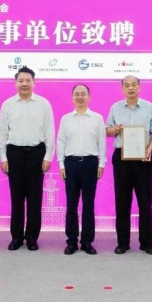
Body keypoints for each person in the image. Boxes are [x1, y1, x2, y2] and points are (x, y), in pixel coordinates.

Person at [0, 66, 55, 251]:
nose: (24, 84)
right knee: (16, 198)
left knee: (34, 198)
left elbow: (49, 132)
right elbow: (2, 134)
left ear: (33, 83)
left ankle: (31, 238)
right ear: (15, 83)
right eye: (21, 80)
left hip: (37, 154)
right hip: (14, 154)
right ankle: (16, 237)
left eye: (28, 80)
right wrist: (3, 158)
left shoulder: (44, 104)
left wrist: (48, 157)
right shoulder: (7, 105)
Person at [106, 75, 152, 255]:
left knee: (145, 201)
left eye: (134, 85)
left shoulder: (149, 107)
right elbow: (107, 130)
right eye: (127, 85)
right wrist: (115, 129)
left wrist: (149, 149)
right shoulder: (115, 107)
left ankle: (146, 243)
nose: (131, 88)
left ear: (139, 87)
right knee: (122, 201)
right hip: (121, 157)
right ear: (122, 88)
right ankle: (123, 242)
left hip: (143, 157)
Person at [57, 84, 106, 255]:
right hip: (70, 164)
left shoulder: (97, 118)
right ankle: (71, 241)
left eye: (83, 94)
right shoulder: (65, 119)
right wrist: (61, 165)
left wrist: (101, 164)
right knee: (71, 204)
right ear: (72, 98)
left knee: (88, 204)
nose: (80, 97)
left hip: (90, 164)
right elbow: (61, 142)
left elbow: (102, 143)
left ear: (89, 97)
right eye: (76, 94)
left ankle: (87, 241)